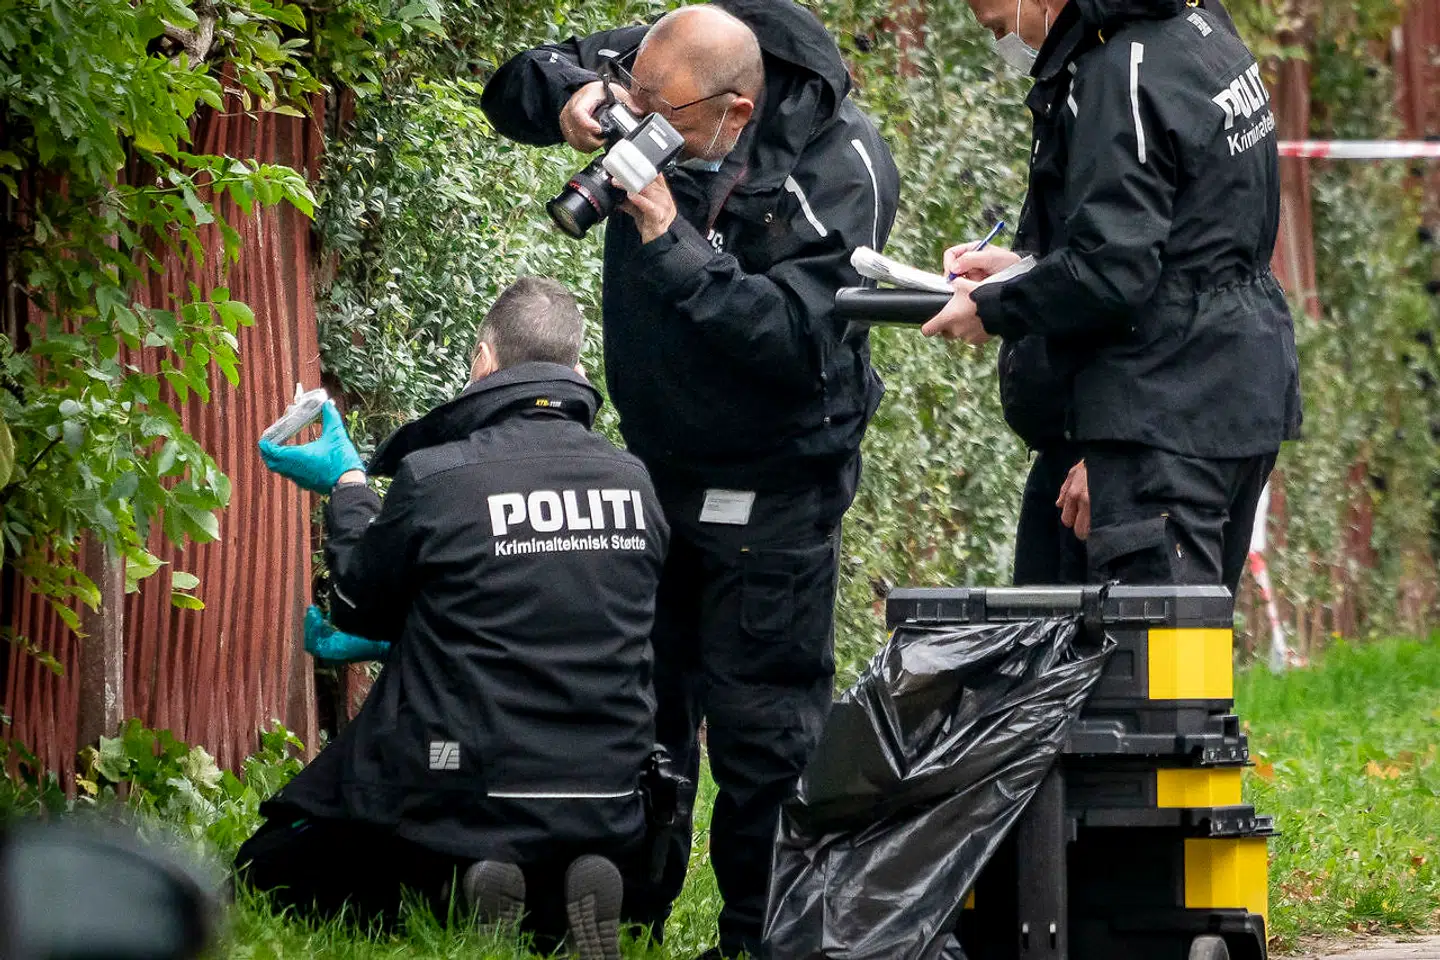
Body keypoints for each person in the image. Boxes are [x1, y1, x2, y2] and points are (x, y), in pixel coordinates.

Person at [482, 4, 900, 955]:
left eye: (666, 116)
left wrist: (672, 239)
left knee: (763, 735)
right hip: (659, 470)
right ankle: (622, 917)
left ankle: (759, 939)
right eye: (637, 98)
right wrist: (574, 99)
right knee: (639, 712)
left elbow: (796, 340)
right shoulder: (661, 58)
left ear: (736, 111)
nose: (649, 124)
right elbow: (511, 82)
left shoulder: (844, 167)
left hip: (779, 487)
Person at [237, 277, 670, 960]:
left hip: (464, 780)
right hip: (610, 789)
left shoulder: (439, 477)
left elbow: (357, 601)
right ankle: (555, 890)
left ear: (485, 361)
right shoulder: (635, 483)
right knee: (545, 843)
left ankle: (466, 879)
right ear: (578, 371)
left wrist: (349, 486)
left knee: (269, 870)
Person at [926, 0, 1302, 595]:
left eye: (998, 26)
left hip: (1163, 418)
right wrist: (1029, 268)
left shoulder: (1120, 71)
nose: (1000, 42)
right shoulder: (1199, 29)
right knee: (1184, 655)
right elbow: (1187, 232)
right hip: (1231, 393)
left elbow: (1115, 272)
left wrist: (996, 308)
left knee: (1146, 670)